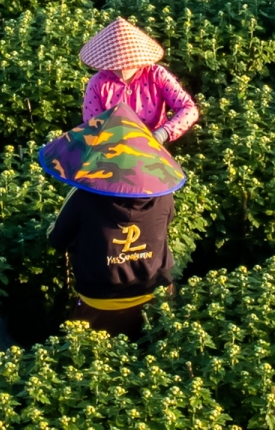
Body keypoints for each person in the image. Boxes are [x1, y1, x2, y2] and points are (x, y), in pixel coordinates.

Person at [42, 102, 186, 339]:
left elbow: (57, 239)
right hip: (155, 294)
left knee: (93, 355)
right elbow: (165, 226)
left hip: (100, 300)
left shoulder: (83, 196)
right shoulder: (163, 194)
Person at [79, 17, 199, 145]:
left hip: (154, 145)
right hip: (112, 148)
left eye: (126, 62)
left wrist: (162, 133)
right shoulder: (98, 83)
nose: (121, 67)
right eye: (115, 63)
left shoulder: (156, 74)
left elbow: (189, 109)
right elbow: (92, 126)